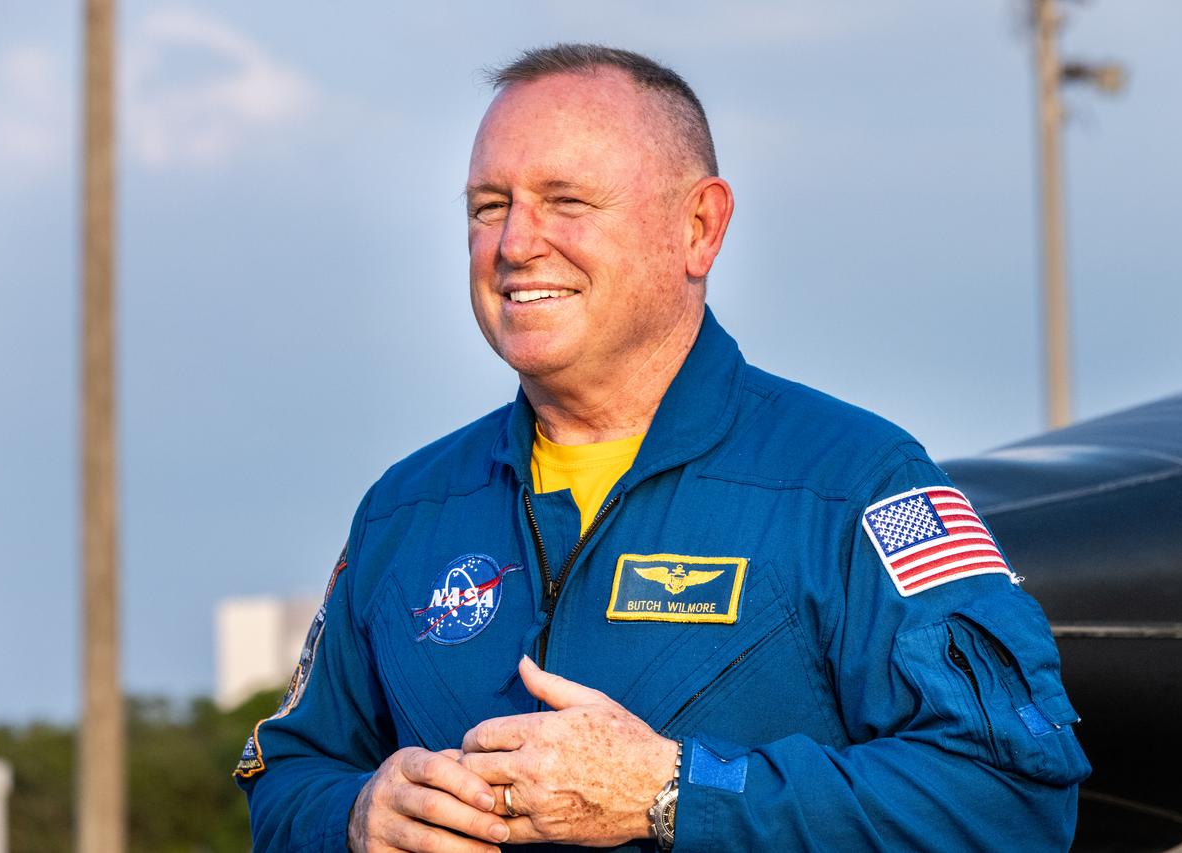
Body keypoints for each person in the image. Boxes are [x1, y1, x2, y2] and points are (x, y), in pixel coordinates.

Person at [235, 44, 1090, 852]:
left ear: (700, 227)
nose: (515, 244)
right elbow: (285, 771)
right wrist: (354, 814)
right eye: (488, 206)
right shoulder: (407, 510)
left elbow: (1013, 792)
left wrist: (676, 791)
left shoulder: (853, 484)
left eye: (566, 200)